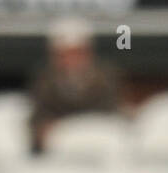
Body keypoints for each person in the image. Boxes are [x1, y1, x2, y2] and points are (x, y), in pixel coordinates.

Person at [27, 18, 123, 154]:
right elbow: (38, 116)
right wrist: (43, 130)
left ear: (87, 53)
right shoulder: (45, 79)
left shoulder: (106, 77)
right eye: (63, 55)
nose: (70, 60)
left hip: (99, 144)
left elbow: (113, 113)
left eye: (75, 53)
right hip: (57, 151)